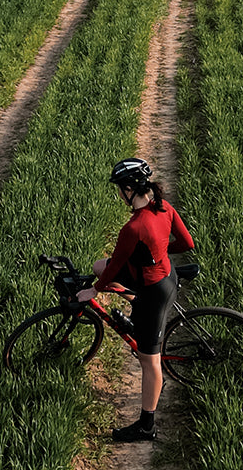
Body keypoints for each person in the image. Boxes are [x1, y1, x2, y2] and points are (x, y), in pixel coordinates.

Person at [77, 158, 194, 442]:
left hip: (156, 292)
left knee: (149, 361)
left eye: (120, 188)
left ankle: (146, 426)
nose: (119, 193)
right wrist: (159, 251)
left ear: (129, 190)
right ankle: (136, 310)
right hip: (163, 274)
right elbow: (186, 243)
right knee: (98, 266)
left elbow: (116, 266)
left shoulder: (133, 228)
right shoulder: (164, 207)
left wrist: (94, 291)